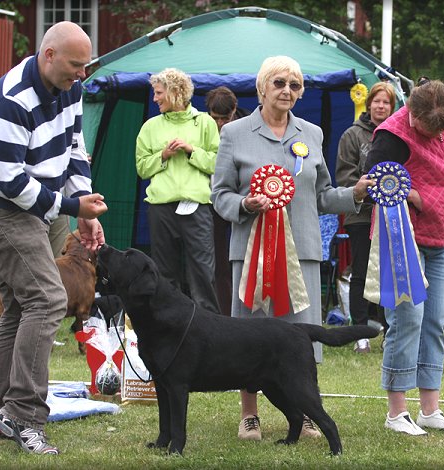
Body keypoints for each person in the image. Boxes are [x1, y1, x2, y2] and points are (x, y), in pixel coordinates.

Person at [0, 21, 107, 454]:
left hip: (32, 207)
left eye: (85, 67)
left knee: (22, 308)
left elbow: (75, 148)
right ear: (48, 55)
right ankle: (22, 415)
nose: (81, 75)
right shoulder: (9, 99)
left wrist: (82, 202)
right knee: (47, 299)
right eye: (75, 66)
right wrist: (71, 208)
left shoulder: (71, 88)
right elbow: (10, 182)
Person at [211, 56, 372, 441]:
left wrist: (356, 194)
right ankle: (249, 415)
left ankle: (305, 414)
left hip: (302, 251)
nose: (287, 90)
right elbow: (219, 196)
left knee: (302, 338)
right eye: (279, 83)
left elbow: (321, 195)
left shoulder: (311, 134)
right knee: (248, 338)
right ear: (262, 88)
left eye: (295, 85)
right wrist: (246, 205)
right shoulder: (234, 133)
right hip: (251, 256)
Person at [364, 80, 444, 435]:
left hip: (443, 239)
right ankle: (397, 413)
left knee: (435, 322)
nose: (431, 133)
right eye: (425, 127)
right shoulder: (391, 136)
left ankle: (430, 409)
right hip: (403, 240)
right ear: (411, 112)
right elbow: (371, 182)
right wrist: (410, 193)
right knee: (406, 320)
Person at [135, 68, 220, 312]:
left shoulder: (205, 122)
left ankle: (208, 326)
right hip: (160, 208)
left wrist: (191, 150)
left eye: (159, 93)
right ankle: (169, 322)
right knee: (164, 271)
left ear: (175, 93)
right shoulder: (150, 127)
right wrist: (163, 155)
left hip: (198, 208)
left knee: (203, 272)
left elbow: (218, 162)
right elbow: (141, 167)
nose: (155, 99)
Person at [335, 82, 396, 353]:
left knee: (389, 274)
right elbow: (344, 174)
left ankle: (388, 329)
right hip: (361, 215)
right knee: (360, 271)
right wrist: (366, 191)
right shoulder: (352, 135)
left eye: (387, 103)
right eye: (377, 101)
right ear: (368, 103)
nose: (381, 106)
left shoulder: (397, 134)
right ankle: (360, 331)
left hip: (391, 215)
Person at [205, 86, 250, 316]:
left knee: (245, 259)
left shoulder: (249, 127)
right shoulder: (202, 128)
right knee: (219, 263)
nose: (221, 123)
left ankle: (247, 310)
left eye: (226, 117)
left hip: (243, 202)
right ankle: (225, 315)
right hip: (212, 203)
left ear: (235, 110)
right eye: (216, 118)